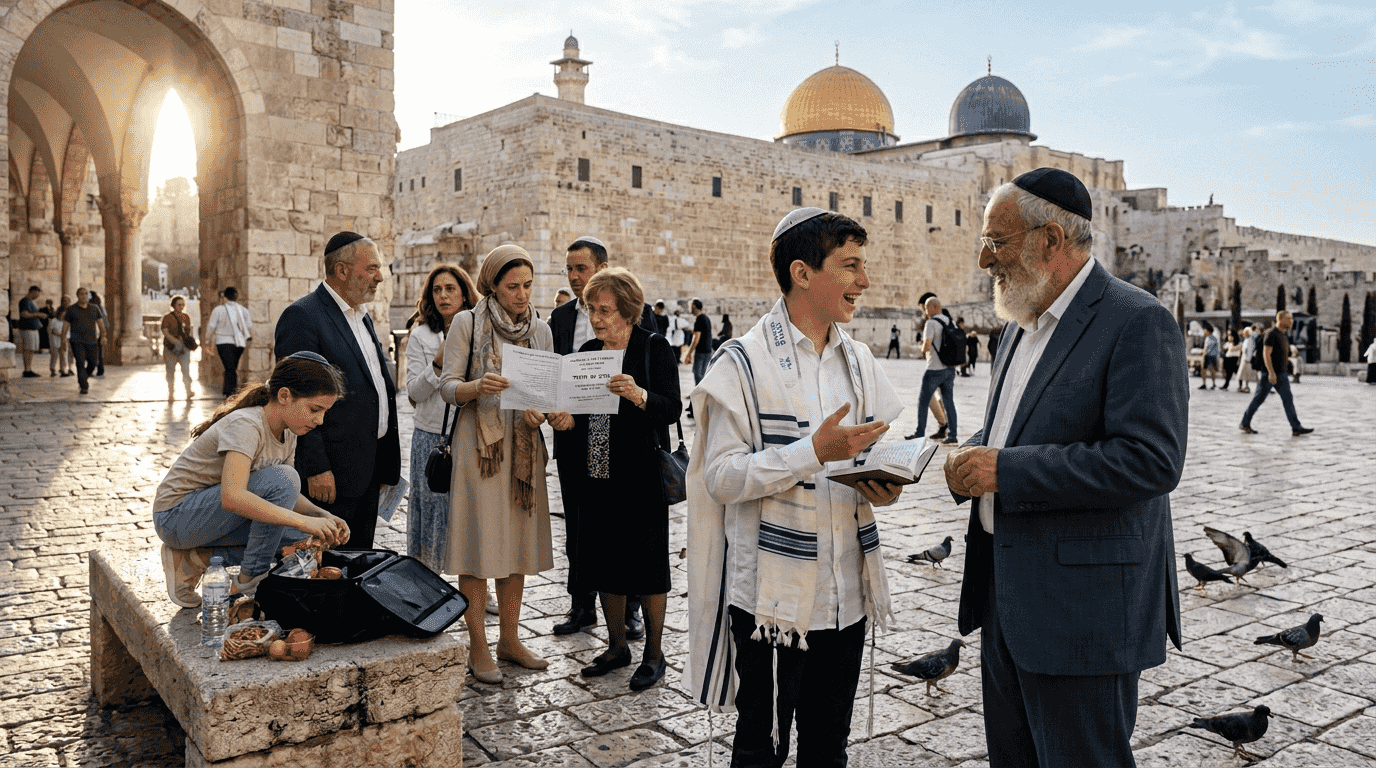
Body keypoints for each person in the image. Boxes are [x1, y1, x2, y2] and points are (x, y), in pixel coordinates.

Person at [943, 168, 1186, 768]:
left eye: (996, 242)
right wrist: (963, 455)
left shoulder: (1136, 321)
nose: (983, 259)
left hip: (1083, 610)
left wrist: (1006, 471)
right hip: (1007, 596)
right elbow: (1014, 433)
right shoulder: (1018, 327)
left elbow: (1150, 460)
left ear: (1049, 241)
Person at [687, 207, 904, 767]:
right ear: (803, 272)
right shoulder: (742, 362)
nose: (864, 281)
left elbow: (872, 453)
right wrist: (813, 453)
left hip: (844, 598)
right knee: (761, 750)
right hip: (770, 603)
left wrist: (883, 482)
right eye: (850, 266)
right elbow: (721, 476)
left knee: (828, 749)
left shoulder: (857, 361)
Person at [438, 244, 557, 684]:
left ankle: (510, 639)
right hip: (480, 447)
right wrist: (476, 386)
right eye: (513, 287)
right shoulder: (466, 323)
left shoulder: (539, 329)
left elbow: (545, 393)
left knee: (516, 546)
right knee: (478, 544)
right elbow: (447, 387)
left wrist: (542, 411)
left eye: (527, 285)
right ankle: (478, 646)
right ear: (492, 284)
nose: (522, 294)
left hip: (523, 447)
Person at [152, 352, 351, 607]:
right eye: (314, 409)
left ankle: (196, 559)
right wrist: (304, 521)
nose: (320, 420)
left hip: (208, 520)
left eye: (324, 412)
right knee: (287, 484)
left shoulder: (289, 432)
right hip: (175, 517)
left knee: (301, 539)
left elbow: (286, 493)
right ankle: (249, 581)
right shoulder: (247, 424)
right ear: (284, 396)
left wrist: (322, 517)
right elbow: (233, 496)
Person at [564, 267, 681, 691]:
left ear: (628, 311)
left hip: (642, 475)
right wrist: (564, 421)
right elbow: (578, 416)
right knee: (604, 560)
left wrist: (638, 394)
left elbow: (671, 408)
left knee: (648, 566)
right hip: (596, 472)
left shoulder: (654, 348)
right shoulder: (588, 352)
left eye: (606, 310)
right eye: (592, 309)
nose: (597, 318)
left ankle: (654, 654)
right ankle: (617, 647)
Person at [548, 236, 656, 638]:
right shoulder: (559, 319)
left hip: (624, 442)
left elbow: (654, 377)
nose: (575, 277)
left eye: (582, 268)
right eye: (569, 269)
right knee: (579, 525)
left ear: (603, 269)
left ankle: (628, 611)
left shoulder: (636, 316)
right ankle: (581, 605)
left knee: (622, 527)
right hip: (575, 436)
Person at [275, 232, 401, 549]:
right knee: (327, 566)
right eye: (371, 268)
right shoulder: (304, 317)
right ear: (342, 270)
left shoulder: (361, 315)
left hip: (368, 468)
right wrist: (316, 468)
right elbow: (297, 402)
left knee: (358, 559)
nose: (380, 277)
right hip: (331, 475)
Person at [404, 264, 477, 572]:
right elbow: (413, 393)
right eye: (437, 290)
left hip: (471, 433)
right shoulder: (421, 335)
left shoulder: (479, 329)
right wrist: (437, 363)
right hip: (432, 436)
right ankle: (426, 584)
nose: (444, 296)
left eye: (450, 289)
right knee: (432, 513)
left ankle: (475, 586)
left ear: (464, 293)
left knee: (470, 513)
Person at [1240, 311, 1313, 436]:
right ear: (1281, 319)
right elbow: (1266, 354)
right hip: (1270, 374)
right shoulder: (1271, 334)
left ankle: (1296, 427)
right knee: (1258, 399)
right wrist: (1271, 373)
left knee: (1288, 400)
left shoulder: (1284, 335)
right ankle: (1244, 422)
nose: (1292, 321)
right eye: (1289, 318)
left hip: (1282, 374)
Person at [907, 296, 959, 445]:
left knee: (923, 401)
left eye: (926, 308)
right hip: (949, 369)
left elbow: (927, 345)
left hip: (934, 369)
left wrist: (921, 348)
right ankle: (952, 436)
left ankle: (919, 433)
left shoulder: (931, 323)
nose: (925, 312)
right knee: (949, 403)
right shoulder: (950, 321)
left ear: (933, 308)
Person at [206, 286, 253, 397]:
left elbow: (211, 326)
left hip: (223, 342)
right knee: (232, 367)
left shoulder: (218, 310)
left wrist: (207, 340)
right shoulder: (243, 310)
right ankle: (231, 392)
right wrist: (249, 340)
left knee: (230, 368)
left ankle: (230, 393)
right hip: (239, 343)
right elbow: (249, 327)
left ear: (224, 296)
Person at [66, 288, 103, 395]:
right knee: (80, 362)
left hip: (92, 341)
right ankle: (84, 386)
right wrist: (64, 340)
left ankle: (83, 378)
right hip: (76, 341)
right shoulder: (71, 309)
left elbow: (101, 324)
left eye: (86, 294)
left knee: (93, 363)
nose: (83, 296)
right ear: (77, 296)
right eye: (81, 294)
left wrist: (103, 335)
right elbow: (66, 326)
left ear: (88, 296)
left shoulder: (94, 308)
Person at [161, 295, 197, 400]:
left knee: (186, 370)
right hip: (171, 347)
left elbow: (188, 331)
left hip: (184, 348)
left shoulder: (186, 317)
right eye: (179, 304)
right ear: (173, 305)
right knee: (170, 371)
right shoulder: (167, 317)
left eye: (183, 305)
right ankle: (171, 393)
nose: (181, 307)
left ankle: (188, 391)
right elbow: (165, 331)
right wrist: (175, 341)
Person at [683, 298, 712, 384]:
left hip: (701, 352)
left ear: (694, 306)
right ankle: (701, 395)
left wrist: (688, 353)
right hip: (707, 351)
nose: (689, 308)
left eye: (690, 305)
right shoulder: (706, 318)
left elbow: (696, 339)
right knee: (703, 375)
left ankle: (699, 396)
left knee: (698, 374)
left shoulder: (699, 319)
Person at [16, 285, 43, 377]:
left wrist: (38, 322)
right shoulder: (24, 301)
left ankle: (29, 368)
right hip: (27, 328)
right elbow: (24, 314)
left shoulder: (31, 302)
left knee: (31, 349)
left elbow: (32, 313)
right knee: (28, 349)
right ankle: (27, 370)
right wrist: (38, 315)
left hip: (33, 328)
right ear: (33, 292)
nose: (37, 296)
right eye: (37, 294)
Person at [47, 298, 72, 377]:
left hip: (63, 340)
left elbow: (67, 331)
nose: (63, 316)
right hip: (55, 341)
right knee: (54, 355)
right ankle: (52, 369)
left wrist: (64, 338)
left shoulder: (66, 322)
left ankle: (62, 369)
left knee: (63, 355)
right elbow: (53, 331)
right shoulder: (53, 321)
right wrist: (62, 334)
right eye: (62, 314)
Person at [89, 291, 108, 376]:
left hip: (94, 331)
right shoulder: (101, 307)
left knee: (91, 352)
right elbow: (105, 320)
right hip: (100, 331)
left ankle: (91, 369)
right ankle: (100, 369)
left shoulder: (92, 307)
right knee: (99, 351)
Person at [1200, 323, 1220, 390]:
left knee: (1211, 370)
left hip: (1210, 356)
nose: (1203, 331)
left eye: (1204, 330)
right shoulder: (1208, 338)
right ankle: (1206, 384)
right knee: (1205, 370)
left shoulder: (1212, 338)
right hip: (1210, 356)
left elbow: (1207, 349)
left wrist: (1203, 355)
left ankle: (1212, 384)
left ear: (1208, 331)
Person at [1238, 326, 1256, 393]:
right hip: (1244, 359)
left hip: (1246, 360)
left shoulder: (1250, 340)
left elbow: (1250, 350)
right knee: (1242, 374)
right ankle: (1242, 386)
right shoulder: (1246, 340)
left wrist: (1248, 358)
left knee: (1246, 374)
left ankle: (1246, 386)